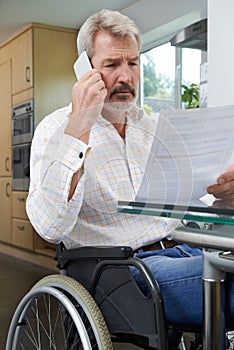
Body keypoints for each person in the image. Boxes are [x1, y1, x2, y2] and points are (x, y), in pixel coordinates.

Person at [26, 9, 234, 328]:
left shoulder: (151, 128)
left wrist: (223, 194)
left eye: (133, 63)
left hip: (183, 251)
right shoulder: (56, 130)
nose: (126, 77)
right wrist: (81, 122)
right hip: (122, 272)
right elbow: (49, 226)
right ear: (86, 70)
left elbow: (192, 203)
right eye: (111, 65)